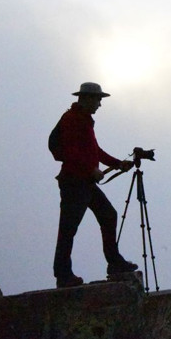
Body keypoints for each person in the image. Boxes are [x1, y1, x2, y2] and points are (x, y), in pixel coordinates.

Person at [52, 82, 138, 288]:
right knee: (69, 228)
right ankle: (63, 275)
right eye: (98, 99)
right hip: (75, 182)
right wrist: (91, 170)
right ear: (87, 98)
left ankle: (114, 262)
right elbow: (71, 152)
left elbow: (94, 151)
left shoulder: (82, 120)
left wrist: (117, 164)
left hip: (84, 183)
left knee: (108, 215)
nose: (100, 104)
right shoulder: (72, 119)